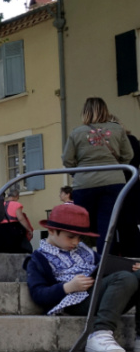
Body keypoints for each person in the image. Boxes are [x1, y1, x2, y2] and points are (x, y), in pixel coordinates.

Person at [27, 203, 140, 352]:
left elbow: (106, 266)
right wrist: (68, 287)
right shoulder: (38, 258)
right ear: (52, 231)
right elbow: (38, 294)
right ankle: (99, 334)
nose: (75, 242)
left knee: (132, 275)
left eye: (80, 238)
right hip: (75, 300)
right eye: (71, 237)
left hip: (100, 295)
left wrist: (129, 267)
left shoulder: (84, 250)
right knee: (124, 278)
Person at [63, 97, 135, 254]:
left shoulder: (76, 132)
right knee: (106, 224)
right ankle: (104, 262)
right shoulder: (117, 129)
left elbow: (67, 159)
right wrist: (115, 167)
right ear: (105, 110)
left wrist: (78, 173)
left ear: (85, 112)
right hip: (113, 181)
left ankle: (80, 258)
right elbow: (128, 155)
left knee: (81, 223)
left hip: (85, 183)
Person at [0, 185, 34, 254]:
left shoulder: (1, 205)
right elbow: (21, 218)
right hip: (13, 229)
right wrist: (29, 229)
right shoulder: (16, 204)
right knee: (16, 250)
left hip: (1, 229)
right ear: (16, 196)